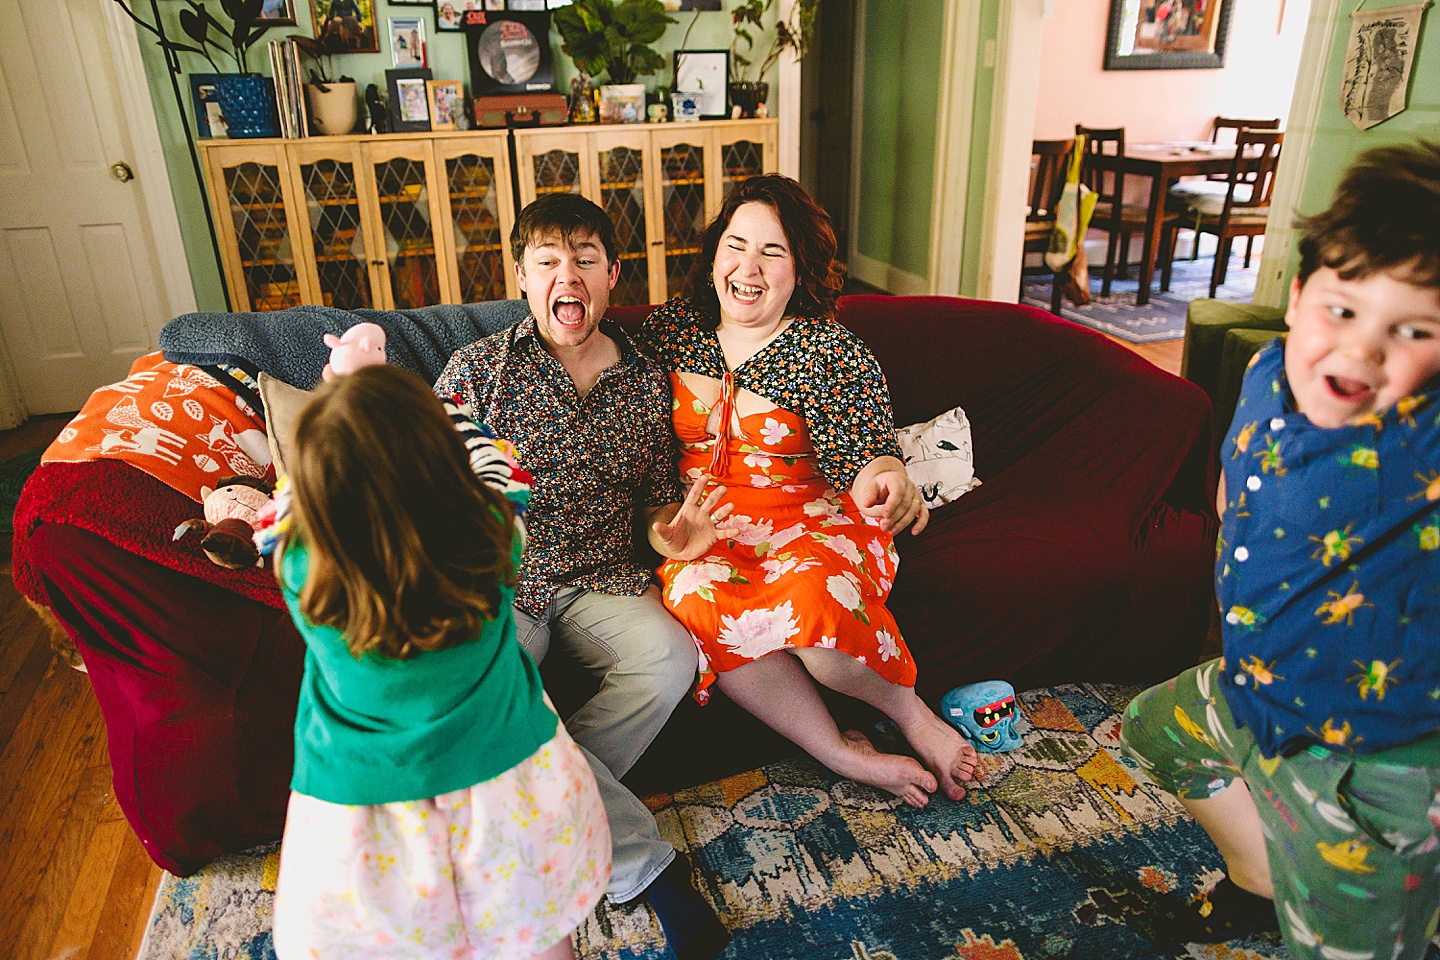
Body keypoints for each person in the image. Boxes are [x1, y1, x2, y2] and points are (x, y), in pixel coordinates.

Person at [1120, 141, 1440, 956]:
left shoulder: (1424, 447)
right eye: (1343, 309)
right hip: (1256, 689)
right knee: (1154, 730)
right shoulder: (1268, 367)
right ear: (1298, 297)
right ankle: (1261, 880)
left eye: (1411, 330)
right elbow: (1239, 478)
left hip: (1374, 764)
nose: (1361, 351)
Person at [434, 193, 732, 960]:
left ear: (612, 275)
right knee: (484, 689)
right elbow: (428, 481)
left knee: (671, 657)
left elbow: (657, 502)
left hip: (607, 575)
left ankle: (527, 802)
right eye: (548, 261)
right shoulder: (476, 370)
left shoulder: (644, 381)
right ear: (524, 278)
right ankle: (654, 874)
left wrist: (672, 533)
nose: (568, 275)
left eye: (585, 259)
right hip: (507, 579)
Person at [637, 174, 979, 808]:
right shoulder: (669, 333)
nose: (748, 267)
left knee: (813, 613)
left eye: (773, 252)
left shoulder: (827, 348)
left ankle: (913, 717)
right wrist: (667, 528)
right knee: (692, 598)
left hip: (808, 521)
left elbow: (867, 454)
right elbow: (639, 457)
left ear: (800, 270)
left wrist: (891, 478)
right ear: (714, 254)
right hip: (708, 530)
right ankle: (839, 750)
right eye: (735, 245)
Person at [269, 365, 610, 959]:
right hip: (509, 787)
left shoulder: (301, 573)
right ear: (441, 459)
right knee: (537, 930)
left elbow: (288, 504)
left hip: (364, 806)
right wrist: (412, 404)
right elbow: (494, 462)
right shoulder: (496, 538)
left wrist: (336, 406)